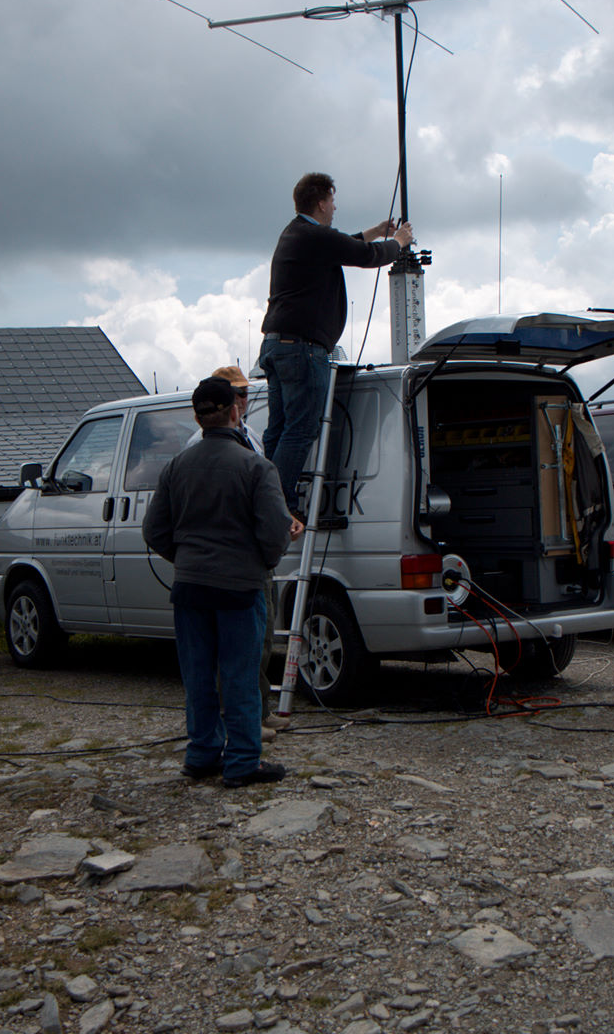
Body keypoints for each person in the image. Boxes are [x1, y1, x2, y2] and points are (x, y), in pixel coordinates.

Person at [142, 376, 293, 788]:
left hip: (190, 587)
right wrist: (261, 562)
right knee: (240, 675)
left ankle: (202, 753)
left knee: (198, 675)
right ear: (235, 411)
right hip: (240, 588)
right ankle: (242, 761)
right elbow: (276, 530)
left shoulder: (176, 467)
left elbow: (154, 531)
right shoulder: (257, 467)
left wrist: (187, 559)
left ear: (197, 417)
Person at [259, 171, 413, 514]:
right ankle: (278, 503)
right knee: (301, 428)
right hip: (302, 347)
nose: (334, 207)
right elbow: (367, 256)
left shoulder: (297, 233)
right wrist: (399, 242)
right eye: (332, 201)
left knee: (279, 428)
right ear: (320, 203)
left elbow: (345, 245)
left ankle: (265, 495)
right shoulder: (314, 236)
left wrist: (376, 231)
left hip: (277, 344)